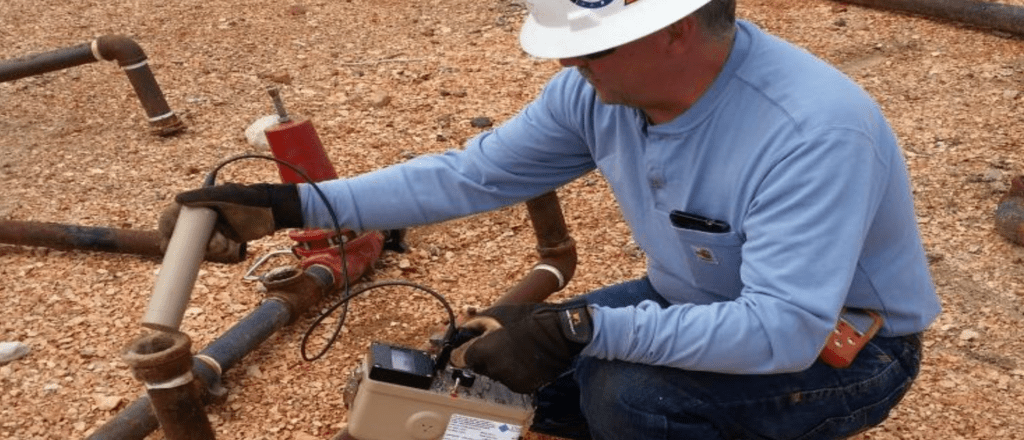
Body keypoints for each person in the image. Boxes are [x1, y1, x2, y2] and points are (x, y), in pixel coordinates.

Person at [162, 0, 942, 438]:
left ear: (673, 31)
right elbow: (474, 173)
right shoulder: (602, 91)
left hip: (850, 346)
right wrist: (298, 206)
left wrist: (583, 331)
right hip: (700, 301)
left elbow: (780, 331)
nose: (568, 66)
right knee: (483, 360)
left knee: (630, 398)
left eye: (590, 49)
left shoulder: (809, 131)